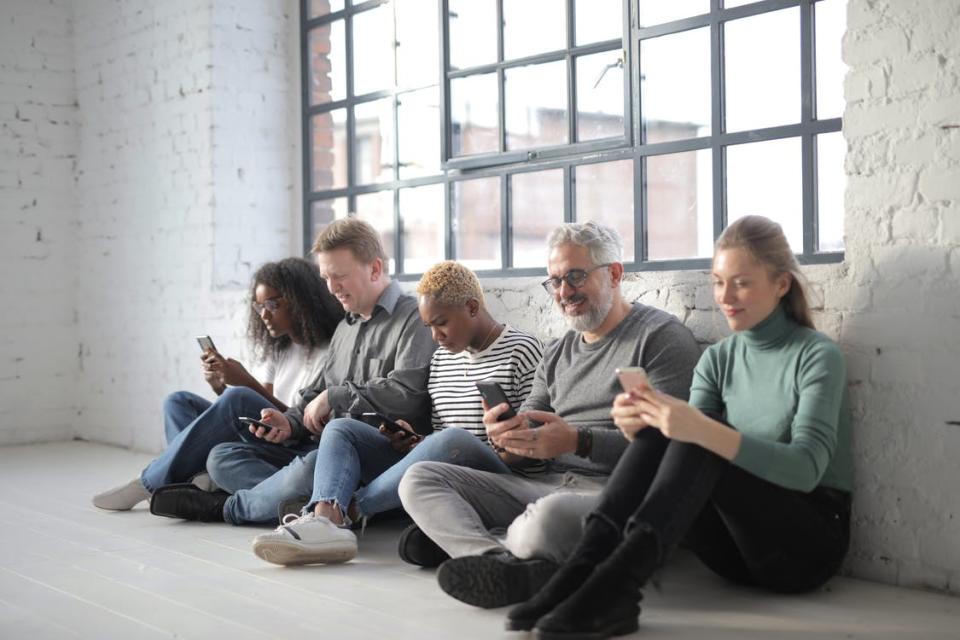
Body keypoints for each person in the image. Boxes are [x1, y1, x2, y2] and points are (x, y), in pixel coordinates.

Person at [506, 215, 852, 639]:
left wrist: (699, 429)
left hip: (803, 549)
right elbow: (683, 461)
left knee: (698, 426)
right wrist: (642, 429)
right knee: (667, 427)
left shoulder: (817, 356)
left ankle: (616, 586)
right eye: (718, 282)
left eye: (741, 282)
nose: (725, 296)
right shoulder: (717, 359)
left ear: (781, 284)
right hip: (729, 554)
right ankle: (584, 568)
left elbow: (805, 469)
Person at [397, 221, 702, 609]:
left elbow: (673, 451)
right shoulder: (557, 353)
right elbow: (524, 441)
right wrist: (506, 436)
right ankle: (498, 563)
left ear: (614, 273)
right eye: (555, 281)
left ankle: (479, 544)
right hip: (550, 486)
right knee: (419, 478)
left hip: (616, 494)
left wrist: (579, 441)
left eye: (575, 277)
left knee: (547, 519)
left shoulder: (659, 338)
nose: (563, 292)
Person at [247, 261, 545, 565]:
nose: (435, 337)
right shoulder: (443, 359)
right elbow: (439, 437)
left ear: (471, 307)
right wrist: (416, 441)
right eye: (428, 326)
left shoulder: (522, 349)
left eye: (441, 323)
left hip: (500, 478)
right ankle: (326, 518)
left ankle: (347, 511)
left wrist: (501, 441)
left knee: (453, 439)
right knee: (342, 428)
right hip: (439, 471)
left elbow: (537, 452)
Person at [147, 217, 437, 523]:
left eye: (339, 276)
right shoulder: (345, 327)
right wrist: (289, 423)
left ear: (375, 269)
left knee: (314, 464)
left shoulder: (413, 319)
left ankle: (228, 508)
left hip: (379, 452)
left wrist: (334, 397)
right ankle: (314, 503)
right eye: (326, 277)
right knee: (223, 457)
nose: (331, 288)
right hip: (325, 449)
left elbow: (407, 395)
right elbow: (313, 395)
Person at [92, 257, 343, 511]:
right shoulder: (280, 350)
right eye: (259, 307)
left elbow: (295, 421)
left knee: (238, 401)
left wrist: (244, 383)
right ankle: (195, 481)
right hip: (265, 434)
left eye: (272, 304)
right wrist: (221, 388)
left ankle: (150, 483)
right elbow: (263, 412)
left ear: (301, 301)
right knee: (178, 402)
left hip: (296, 443)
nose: (264, 314)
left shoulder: (330, 353)